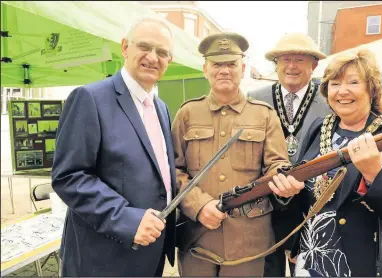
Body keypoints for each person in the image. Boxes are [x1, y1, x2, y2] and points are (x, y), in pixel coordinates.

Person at [171, 32, 305, 277]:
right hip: (197, 238)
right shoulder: (187, 114)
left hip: (249, 240)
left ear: (242, 68)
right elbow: (173, 172)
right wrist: (198, 206)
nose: (224, 70)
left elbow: (276, 164)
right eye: (217, 64)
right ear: (205, 69)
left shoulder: (264, 115)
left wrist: (283, 180)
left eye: (231, 64)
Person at [52, 17, 177, 276]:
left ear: (170, 60)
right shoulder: (90, 98)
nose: (153, 57)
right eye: (145, 46)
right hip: (103, 258)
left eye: (162, 52)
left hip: (150, 253)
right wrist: (127, 220)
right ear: (125, 47)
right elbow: (69, 177)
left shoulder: (161, 108)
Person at [290, 48, 382, 276]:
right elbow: (304, 192)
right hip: (311, 257)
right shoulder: (318, 127)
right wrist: (295, 243)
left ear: (371, 89)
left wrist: (375, 174)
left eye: (353, 82)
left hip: (365, 262)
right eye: (334, 83)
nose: (342, 91)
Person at [248, 33, 329, 277]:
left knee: (306, 268)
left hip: (312, 205)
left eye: (299, 59)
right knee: (267, 269)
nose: (291, 66)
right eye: (285, 59)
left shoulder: (331, 98)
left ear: (314, 65)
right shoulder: (253, 99)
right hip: (266, 203)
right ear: (276, 64)